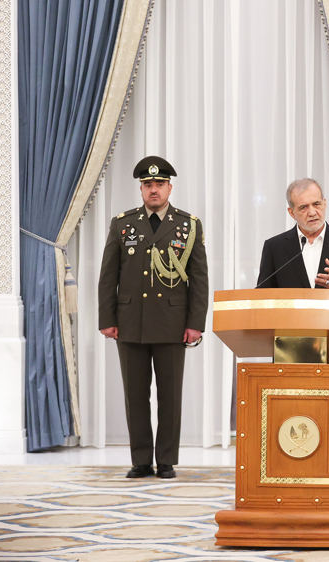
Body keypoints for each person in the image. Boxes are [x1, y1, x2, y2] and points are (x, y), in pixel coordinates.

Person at [98, 156, 209, 479]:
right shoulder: (123, 223)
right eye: (148, 185)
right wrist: (108, 317)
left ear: (170, 187)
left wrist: (195, 323)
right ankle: (141, 460)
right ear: (141, 189)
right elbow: (109, 275)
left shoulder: (188, 225)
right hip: (130, 321)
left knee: (170, 394)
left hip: (172, 323)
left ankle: (166, 460)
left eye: (159, 184)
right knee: (135, 395)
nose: (154, 190)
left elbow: (199, 278)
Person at [256, 178, 329, 291]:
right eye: (304, 207)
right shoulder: (275, 247)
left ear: (324, 204)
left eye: (316, 204)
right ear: (292, 213)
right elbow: (263, 295)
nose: (312, 213)